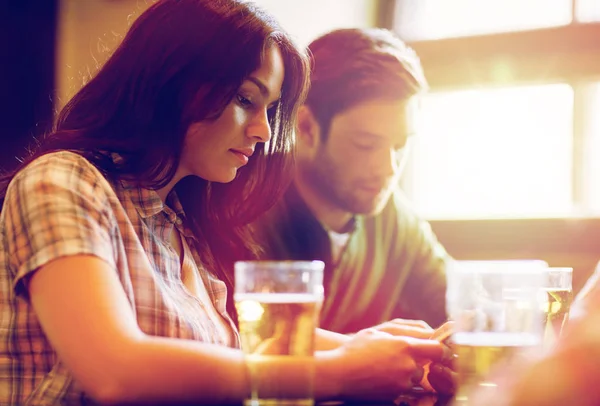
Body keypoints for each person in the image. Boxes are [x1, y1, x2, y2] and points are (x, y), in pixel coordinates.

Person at [0, 1, 449, 404]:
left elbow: (235, 347)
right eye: (245, 99)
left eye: (270, 109)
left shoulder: (180, 222)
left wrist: (367, 349)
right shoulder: (62, 180)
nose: (264, 131)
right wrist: (340, 371)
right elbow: (117, 371)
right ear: (171, 82)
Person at [253, 28, 451, 334]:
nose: (388, 169)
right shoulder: (244, 205)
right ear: (306, 127)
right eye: (365, 144)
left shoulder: (394, 218)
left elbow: (459, 307)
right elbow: (234, 340)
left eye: (400, 146)